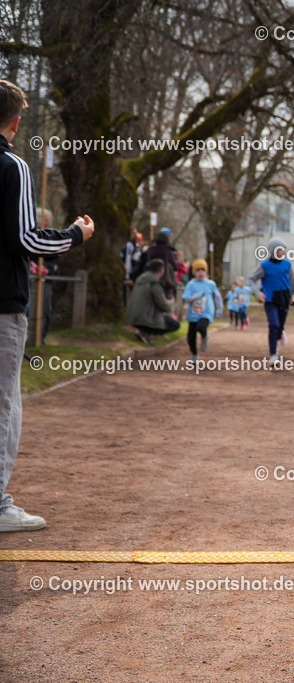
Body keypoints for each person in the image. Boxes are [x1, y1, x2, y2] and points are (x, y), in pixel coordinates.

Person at [0, 79, 95, 531]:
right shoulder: (12, 166)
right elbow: (26, 237)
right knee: (3, 404)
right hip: (2, 304)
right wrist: (76, 233)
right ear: (15, 124)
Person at [247, 237, 294, 367]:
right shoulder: (264, 266)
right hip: (271, 300)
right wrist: (258, 293)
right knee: (273, 324)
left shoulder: (287, 265)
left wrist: (291, 296)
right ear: (273, 250)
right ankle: (273, 354)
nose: (283, 251)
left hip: (284, 299)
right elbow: (251, 280)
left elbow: (292, 281)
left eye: (284, 249)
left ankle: (280, 332)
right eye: (280, 249)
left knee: (279, 325)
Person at [125, 258, 180, 344]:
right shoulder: (154, 284)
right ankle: (146, 333)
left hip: (133, 317)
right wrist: (171, 303)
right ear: (162, 270)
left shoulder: (140, 279)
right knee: (175, 324)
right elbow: (163, 305)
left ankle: (143, 331)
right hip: (145, 319)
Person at [182, 259, 222, 362]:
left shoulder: (210, 284)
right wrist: (195, 296)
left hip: (206, 313)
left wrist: (220, 309)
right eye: (198, 270)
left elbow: (217, 297)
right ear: (194, 272)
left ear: (206, 272)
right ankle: (194, 355)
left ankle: (205, 336)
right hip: (193, 314)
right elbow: (186, 298)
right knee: (191, 337)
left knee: (201, 327)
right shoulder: (191, 284)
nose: (201, 273)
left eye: (203, 270)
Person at [132, 229, 178, 299]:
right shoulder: (168, 251)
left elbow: (141, 265)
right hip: (164, 282)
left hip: (149, 280)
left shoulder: (149, 250)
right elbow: (175, 267)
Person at [120, 230, 141, 306]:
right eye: (133, 234)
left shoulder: (136, 246)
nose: (135, 236)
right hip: (129, 275)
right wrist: (128, 276)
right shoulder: (129, 246)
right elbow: (127, 261)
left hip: (133, 274)